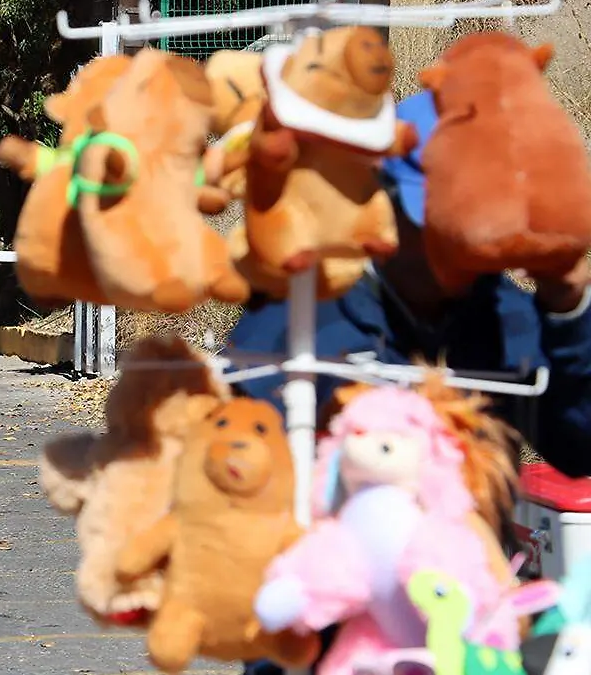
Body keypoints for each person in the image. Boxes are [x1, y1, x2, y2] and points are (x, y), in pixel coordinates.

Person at [230, 92, 591, 675]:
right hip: (326, 648)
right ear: (386, 204)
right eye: (438, 223)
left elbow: (581, 448)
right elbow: (235, 482)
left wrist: (569, 306)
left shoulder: (505, 317)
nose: (457, 248)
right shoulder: (301, 317)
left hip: (463, 643)